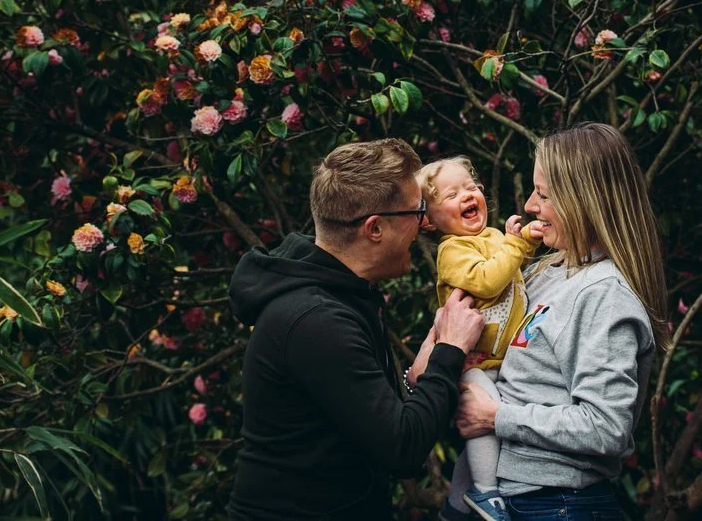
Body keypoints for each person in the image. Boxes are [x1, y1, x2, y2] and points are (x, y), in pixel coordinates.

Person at [227, 138, 485, 520]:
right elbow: (402, 450)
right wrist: (450, 349)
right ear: (375, 228)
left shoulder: (344, 292)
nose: (425, 222)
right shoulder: (316, 321)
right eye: (417, 210)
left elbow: (366, 419)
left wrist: (419, 377)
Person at [452, 122, 670, 520]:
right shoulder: (548, 271)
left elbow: (605, 427)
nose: (530, 205)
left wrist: (496, 417)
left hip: (559, 505)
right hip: (523, 501)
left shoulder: (605, 294)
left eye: (544, 194)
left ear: (584, 201)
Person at [415, 157, 542, 521]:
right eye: (452, 195)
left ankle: (456, 506)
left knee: (484, 432)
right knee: (484, 420)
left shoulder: (491, 237)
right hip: (473, 363)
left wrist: (525, 242)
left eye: (471, 188)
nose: (467, 196)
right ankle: (486, 492)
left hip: (499, 360)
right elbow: (488, 280)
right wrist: (515, 246)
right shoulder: (452, 251)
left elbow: (511, 264)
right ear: (429, 221)